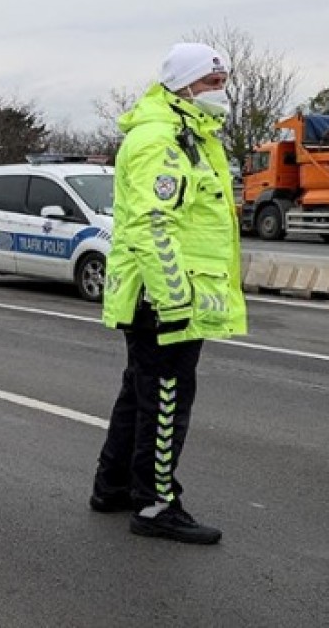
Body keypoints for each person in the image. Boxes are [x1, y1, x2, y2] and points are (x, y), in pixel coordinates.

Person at [90, 42, 246, 545]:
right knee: (166, 400)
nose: (221, 92)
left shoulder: (188, 133)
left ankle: (113, 485)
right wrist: (174, 301)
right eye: (211, 83)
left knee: (140, 391)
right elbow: (152, 225)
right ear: (183, 86)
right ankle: (156, 504)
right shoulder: (164, 139)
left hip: (159, 294)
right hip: (164, 299)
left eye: (223, 82)